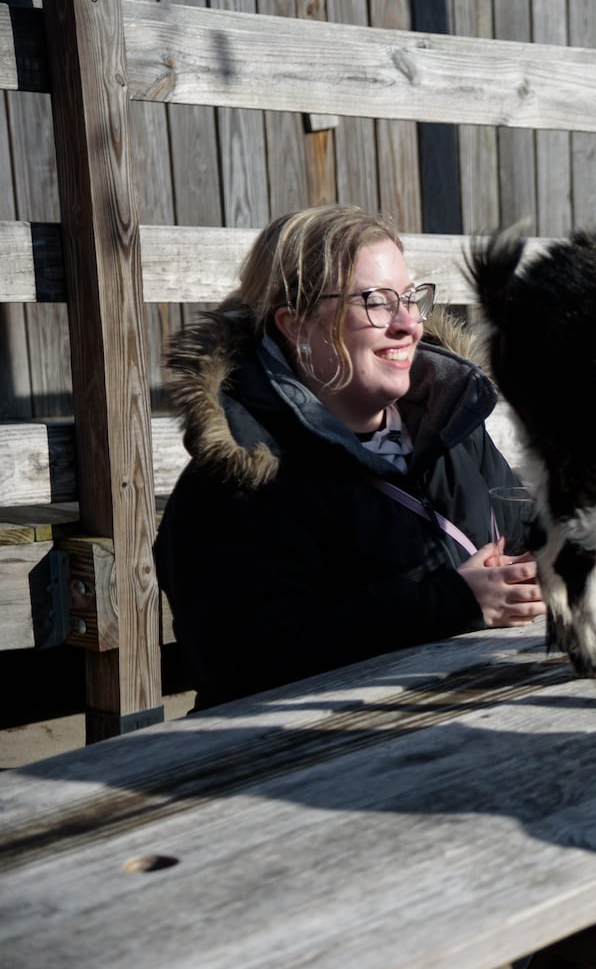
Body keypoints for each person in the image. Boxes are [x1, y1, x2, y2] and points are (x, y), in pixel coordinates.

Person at [155, 204, 545, 710]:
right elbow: (244, 661)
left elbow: (520, 536)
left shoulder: (452, 427)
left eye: (410, 299)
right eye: (377, 302)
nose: (410, 325)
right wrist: (453, 601)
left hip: (471, 709)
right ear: (295, 326)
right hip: (299, 754)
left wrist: (546, 559)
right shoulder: (242, 475)